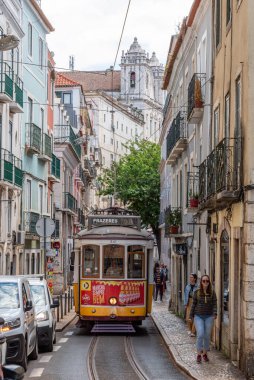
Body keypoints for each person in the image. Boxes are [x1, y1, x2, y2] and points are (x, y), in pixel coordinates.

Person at [190, 274, 217, 364]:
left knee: (207, 336)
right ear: (201, 282)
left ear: (209, 282)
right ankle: (198, 354)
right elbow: (193, 304)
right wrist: (191, 315)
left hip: (209, 316)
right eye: (203, 281)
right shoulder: (197, 292)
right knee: (200, 334)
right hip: (199, 316)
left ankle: (204, 353)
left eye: (207, 281)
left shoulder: (212, 292)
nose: (205, 282)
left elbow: (214, 304)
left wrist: (215, 313)